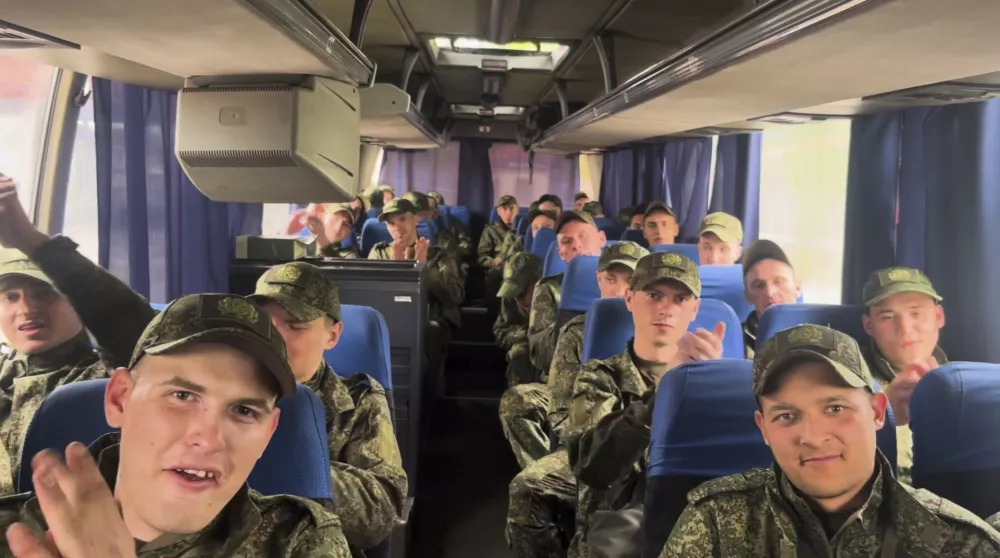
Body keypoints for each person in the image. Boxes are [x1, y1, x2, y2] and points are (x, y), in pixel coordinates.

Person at [0, 294, 353, 556]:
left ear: (267, 433)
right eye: (182, 396)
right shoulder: (13, 535)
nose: (209, 439)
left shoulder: (299, 542)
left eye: (244, 410)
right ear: (120, 399)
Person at [660, 324, 1000, 557]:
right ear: (763, 428)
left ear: (877, 412)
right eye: (787, 416)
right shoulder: (716, 523)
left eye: (835, 408)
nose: (812, 437)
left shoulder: (957, 542)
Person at [567, 252, 725, 558]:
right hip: (618, 527)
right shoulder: (599, 376)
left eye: (680, 299)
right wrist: (665, 392)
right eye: (654, 295)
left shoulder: (718, 378)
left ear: (695, 309)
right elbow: (591, 465)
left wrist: (712, 385)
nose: (666, 309)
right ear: (629, 298)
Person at [505, 241, 648, 558]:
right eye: (612, 278)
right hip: (593, 447)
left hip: (653, 458)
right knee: (526, 489)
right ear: (599, 281)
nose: (621, 287)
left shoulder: (670, 330)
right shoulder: (579, 333)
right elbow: (561, 412)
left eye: (630, 279)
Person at [250, 262, 407, 549]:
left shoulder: (357, 403)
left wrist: (297, 465)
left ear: (332, 335)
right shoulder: (225, 390)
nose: (273, 338)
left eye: (294, 326)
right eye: (263, 323)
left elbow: (382, 510)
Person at [860, 266, 948, 485]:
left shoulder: (964, 383)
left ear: (938, 316)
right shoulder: (845, 380)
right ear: (868, 325)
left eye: (916, 313)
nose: (905, 328)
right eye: (888, 317)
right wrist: (885, 416)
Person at [368, 198, 465, 397]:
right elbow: (370, 296)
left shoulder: (437, 255)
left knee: (433, 333)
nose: (397, 228)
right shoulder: (379, 253)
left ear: (415, 220)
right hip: (387, 320)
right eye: (391, 223)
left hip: (427, 321)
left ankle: (427, 403)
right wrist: (396, 270)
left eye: (402, 219)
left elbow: (454, 296)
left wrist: (423, 268)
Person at [527, 210, 605, 376]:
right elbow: (540, 355)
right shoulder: (548, 288)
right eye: (567, 241)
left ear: (601, 239)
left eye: (583, 236)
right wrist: (567, 322)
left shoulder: (627, 285)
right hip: (563, 377)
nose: (576, 245)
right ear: (561, 253)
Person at [741, 239, 802, 356]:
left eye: (778, 281)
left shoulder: (820, 337)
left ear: (797, 288)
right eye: (759, 285)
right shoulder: (735, 340)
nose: (769, 292)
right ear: (748, 296)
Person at [494, 253, 544, 387]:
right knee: (519, 354)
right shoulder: (510, 297)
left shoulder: (555, 295)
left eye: (522, 293)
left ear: (537, 282)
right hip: (525, 352)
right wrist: (523, 334)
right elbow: (500, 332)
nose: (518, 301)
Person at [479, 195, 520, 296]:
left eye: (511, 208)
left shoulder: (522, 230)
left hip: (518, 267)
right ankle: (494, 310)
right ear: (498, 211)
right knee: (494, 275)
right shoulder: (490, 230)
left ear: (517, 210)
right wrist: (493, 262)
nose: (508, 212)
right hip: (499, 268)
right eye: (505, 209)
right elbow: (482, 257)